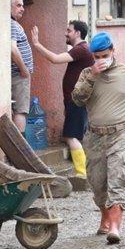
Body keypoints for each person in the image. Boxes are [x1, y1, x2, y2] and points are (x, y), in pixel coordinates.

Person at [70, 32, 125, 244]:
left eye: (104, 55)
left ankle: (115, 227)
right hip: (94, 136)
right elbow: (77, 99)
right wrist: (92, 75)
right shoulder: (86, 74)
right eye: (96, 57)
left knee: (117, 179)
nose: (101, 60)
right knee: (98, 183)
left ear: (113, 52)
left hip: (120, 134)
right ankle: (105, 216)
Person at [29, 19, 95, 178]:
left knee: (72, 137)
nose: (66, 33)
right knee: (75, 136)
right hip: (76, 100)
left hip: (77, 100)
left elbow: (55, 59)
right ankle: (85, 171)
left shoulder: (81, 49)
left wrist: (37, 45)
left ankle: (81, 175)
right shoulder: (82, 49)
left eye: (69, 30)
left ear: (78, 33)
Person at [9, 0, 34, 132]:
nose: (22, 9)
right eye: (18, 5)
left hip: (17, 73)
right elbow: (12, 48)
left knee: (19, 110)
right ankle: (20, 149)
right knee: (20, 110)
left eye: (22, 5)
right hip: (18, 74)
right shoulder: (11, 24)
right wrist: (24, 69)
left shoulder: (12, 23)